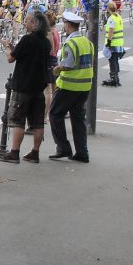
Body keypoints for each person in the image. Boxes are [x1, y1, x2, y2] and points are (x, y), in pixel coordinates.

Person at [0, 11, 52, 163]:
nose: (25, 23)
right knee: (38, 122)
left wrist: (8, 47)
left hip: (23, 86)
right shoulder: (46, 42)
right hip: (39, 86)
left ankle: (14, 153)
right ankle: (35, 153)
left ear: (34, 24)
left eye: (27, 21)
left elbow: (11, 58)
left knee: (18, 120)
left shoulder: (27, 39)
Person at [49, 10, 92, 163]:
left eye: (64, 24)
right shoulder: (86, 41)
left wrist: (56, 69)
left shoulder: (70, 43)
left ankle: (63, 147)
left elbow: (67, 65)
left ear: (68, 25)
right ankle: (82, 152)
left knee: (54, 115)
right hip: (84, 87)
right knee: (78, 119)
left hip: (68, 86)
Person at [102, 2, 125, 87]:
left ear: (108, 9)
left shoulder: (111, 18)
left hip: (113, 43)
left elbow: (111, 31)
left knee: (112, 61)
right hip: (119, 42)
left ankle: (113, 78)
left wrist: (108, 43)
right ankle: (116, 77)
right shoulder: (118, 16)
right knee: (115, 60)